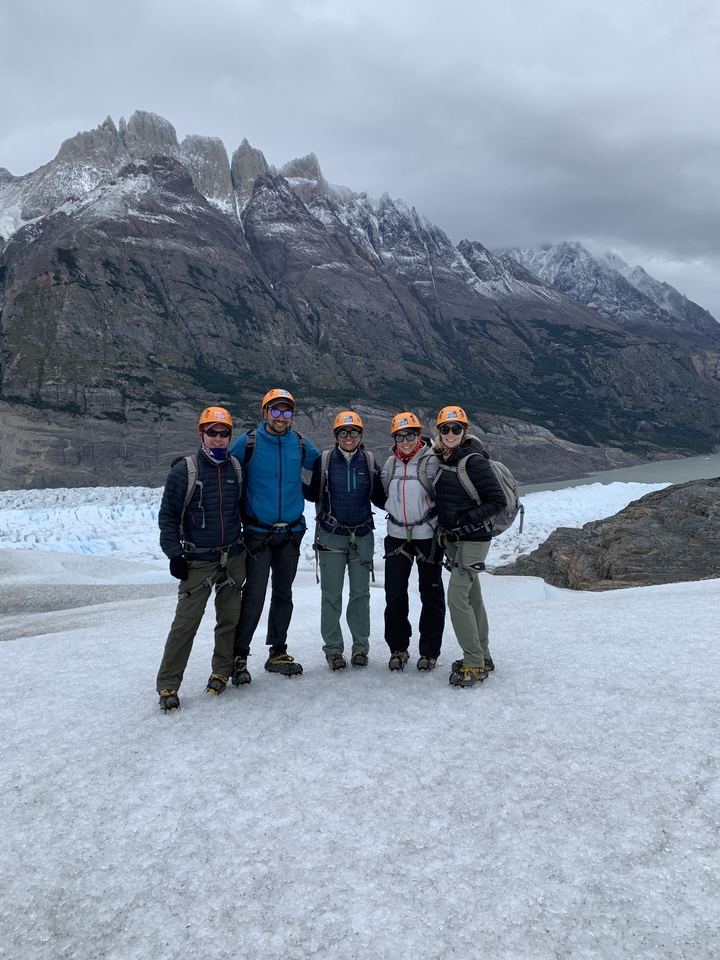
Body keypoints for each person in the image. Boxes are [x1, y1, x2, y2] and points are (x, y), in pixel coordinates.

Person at [156, 406, 246, 711]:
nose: (218, 438)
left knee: (229, 619)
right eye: (212, 432)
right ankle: (168, 684)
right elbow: (168, 516)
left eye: (223, 433)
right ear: (201, 434)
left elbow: (241, 509)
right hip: (198, 559)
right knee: (186, 623)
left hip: (232, 556)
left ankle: (221, 670)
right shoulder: (185, 470)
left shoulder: (235, 468)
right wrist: (174, 554)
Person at [229, 389, 320, 683]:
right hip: (257, 534)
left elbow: (324, 466)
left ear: (292, 415)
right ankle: (239, 655)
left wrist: (311, 491)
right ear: (264, 412)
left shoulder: (301, 444)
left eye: (287, 412)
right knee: (254, 595)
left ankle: (277, 651)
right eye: (275, 411)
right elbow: (224, 471)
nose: (281, 417)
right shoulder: (249, 443)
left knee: (284, 595)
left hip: (291, 534)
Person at [432, 406, 506, 688]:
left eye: (456, 429)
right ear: (438, 431)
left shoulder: (473, 460)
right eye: (445, 429)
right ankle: (483, 655)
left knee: (456, 597)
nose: (450, 434)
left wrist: (465, 520)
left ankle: (474, 662)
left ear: (465, 431)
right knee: (472, 597)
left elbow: (497, 501)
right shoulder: (446, 458)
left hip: (473, 539)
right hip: (454, 539)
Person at [308, 411, 386, 670]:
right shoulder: (326, 461)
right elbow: (311, 494)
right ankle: (333, 650)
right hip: (332, 535)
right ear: (336, 435)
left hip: (362, 535)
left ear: (360, 435)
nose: (349, 437)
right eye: (343, 432)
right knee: (331, 595)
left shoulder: (370, 462)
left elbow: (380, 498)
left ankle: (360, 648)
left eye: (353, 432)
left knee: (360, 594)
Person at [381, 412, 446, 671]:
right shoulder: (389, 465)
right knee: (394, 594)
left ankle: (429, 651)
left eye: (411, 435)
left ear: (419, 435)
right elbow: (381, 494)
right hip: (396, 536)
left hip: (427, 535)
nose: (406, 441)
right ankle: (398, 648)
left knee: (430, 593)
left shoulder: (433, 462)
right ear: (394, 437)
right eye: (400, 436)